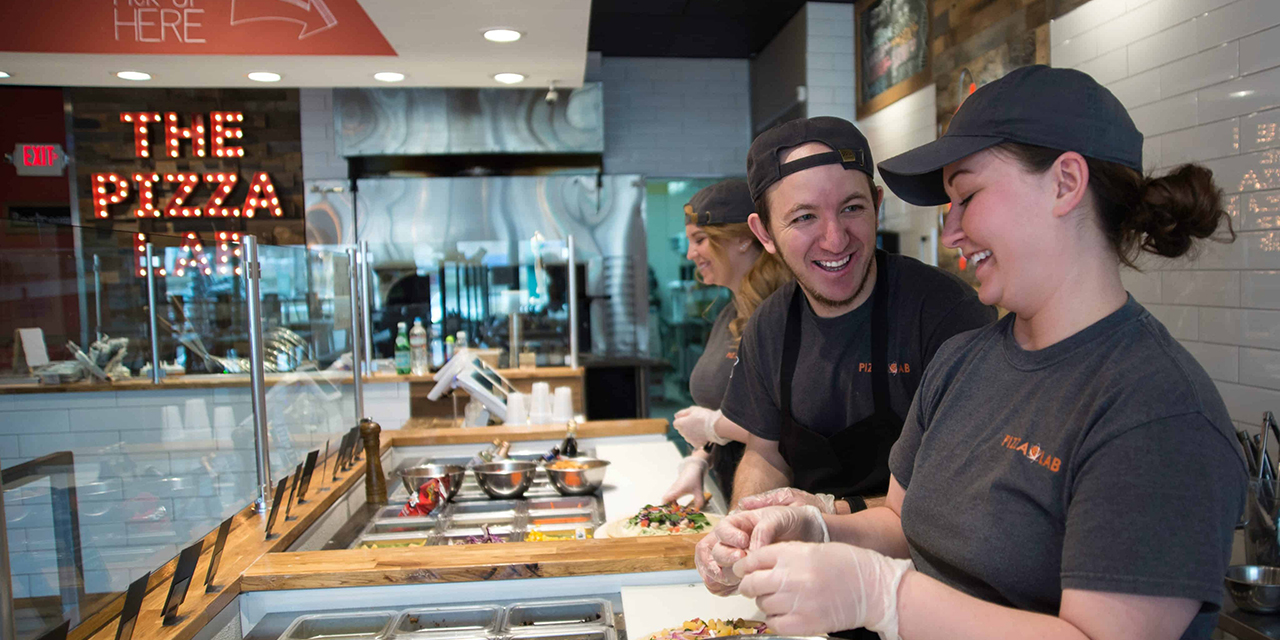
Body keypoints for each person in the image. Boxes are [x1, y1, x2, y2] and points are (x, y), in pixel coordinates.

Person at [710, 65, 1247, 640]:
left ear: (1065, 183)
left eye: (966, 195)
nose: (951, 233)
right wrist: (816, 529)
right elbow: (899, 521)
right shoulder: (963, 362)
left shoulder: (1158, 412)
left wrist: (885, 596)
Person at [662, 179, 792, 508]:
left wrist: (713, 426)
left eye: (701, 240)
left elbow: (793, 428)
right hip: (729, 492)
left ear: (745, 238)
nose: (691, 254)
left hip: (776, 506)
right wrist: (698, 461)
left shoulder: (781, 313)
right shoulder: (728, 314)